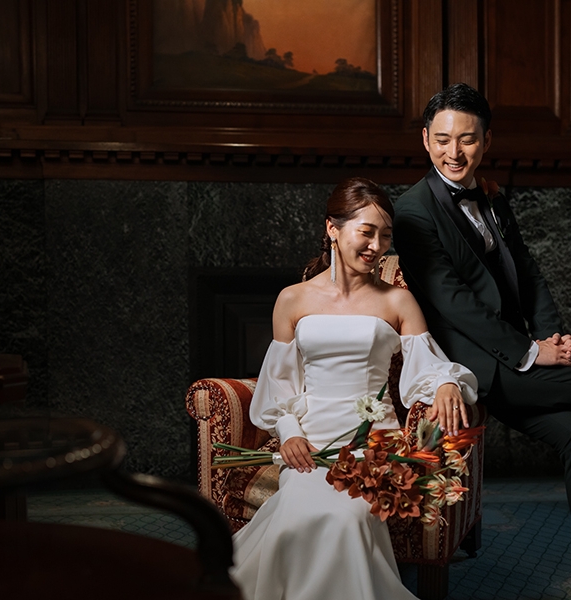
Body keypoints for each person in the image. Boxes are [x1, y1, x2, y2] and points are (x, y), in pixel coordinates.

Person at [230, 177, 478, 600]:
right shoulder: (292, 299)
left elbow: (427, 365)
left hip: (372, 447)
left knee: (345, 519)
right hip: (310, 444)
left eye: (386, 236)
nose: (377, 246)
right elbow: (279, 382)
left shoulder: (397, 301)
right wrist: (289, 433)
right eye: (367, 232)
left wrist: (446, 383)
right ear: (332, 228)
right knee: (296, 517)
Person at [393, 83, 571, 508]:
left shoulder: (491, 197)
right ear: (425, 139)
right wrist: (531, 351)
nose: (453, 152)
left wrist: (554, 340)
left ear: (486, 140)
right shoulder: (413, 210)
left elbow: (527, 272)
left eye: (467, 139)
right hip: (479, 364)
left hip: (516, 352)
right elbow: (452, 301)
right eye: (442, 140)